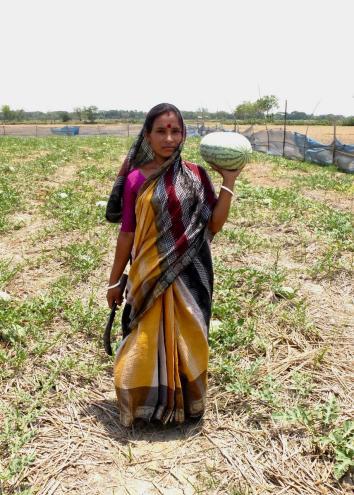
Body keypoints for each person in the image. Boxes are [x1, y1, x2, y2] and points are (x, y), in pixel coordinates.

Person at [106, 103, 244, 427]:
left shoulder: (196, 175)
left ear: (183, 134)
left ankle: (186, 405)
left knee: (190, 337)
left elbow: (213, 225)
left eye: (175, 130)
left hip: (191, 275)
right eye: (161, 131)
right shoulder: (137, 179)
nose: (169, 138)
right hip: (147, 275)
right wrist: (114, 281)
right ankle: (141, 403)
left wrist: (229, 181)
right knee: (142, 340)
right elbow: (127, 233)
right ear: (147, 135)